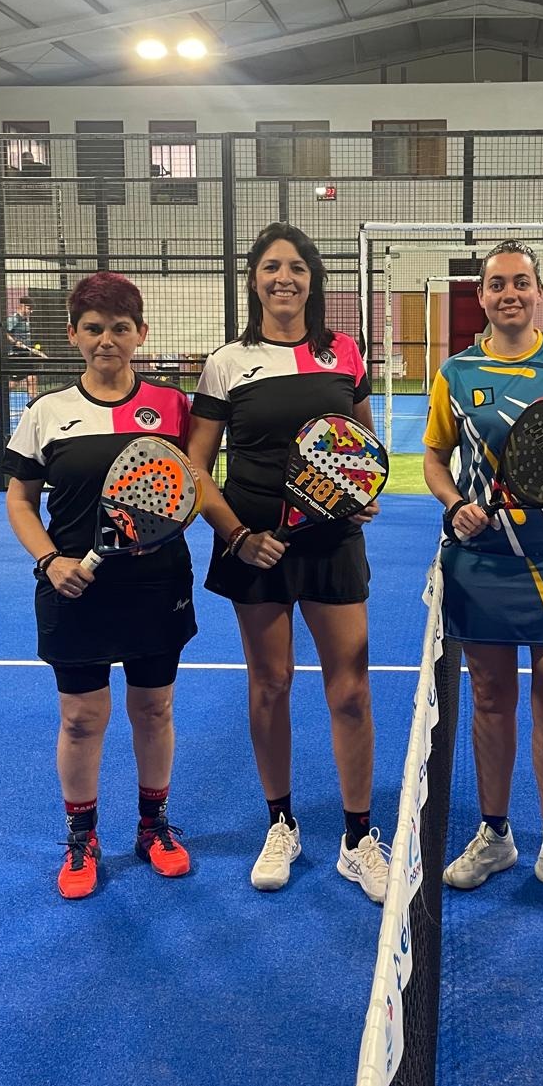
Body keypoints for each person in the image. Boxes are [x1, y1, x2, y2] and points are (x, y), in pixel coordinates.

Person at [186, 223, 388, 902]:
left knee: (351, 690)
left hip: (332, 543)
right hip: (255, 544)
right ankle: (281, 824)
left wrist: (361, 494)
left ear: (312, 279)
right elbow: (196, 468)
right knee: (270, 683)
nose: (284, 278)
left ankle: (358, 838)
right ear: (253, 279)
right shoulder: (227, 362)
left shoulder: (344, 352)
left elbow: (361, 442)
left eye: (297, 267)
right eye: (272, 266)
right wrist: (238, 536)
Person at [422, 241, 543, 913]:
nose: (510, 293)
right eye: (497, 284)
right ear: (481, 296)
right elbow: (434, 457)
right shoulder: (456, 372)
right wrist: (455, 504)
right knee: (491, 699)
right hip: (483, 564)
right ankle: (495, 834)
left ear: (541, 292)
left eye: (521, 282)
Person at [3, 272, 198, 899]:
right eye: (93, 328)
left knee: (154, 708)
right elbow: (20, 502)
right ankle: (81, 837)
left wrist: (170, 527)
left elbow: (189, 486)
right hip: (73, 589)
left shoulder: (173, 406)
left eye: (119, 327)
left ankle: (153, 826)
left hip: (156, 584)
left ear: (141, 333)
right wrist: (50, 560)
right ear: (73, 335)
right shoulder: (46, 413)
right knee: (82, 718)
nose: (106, 339)